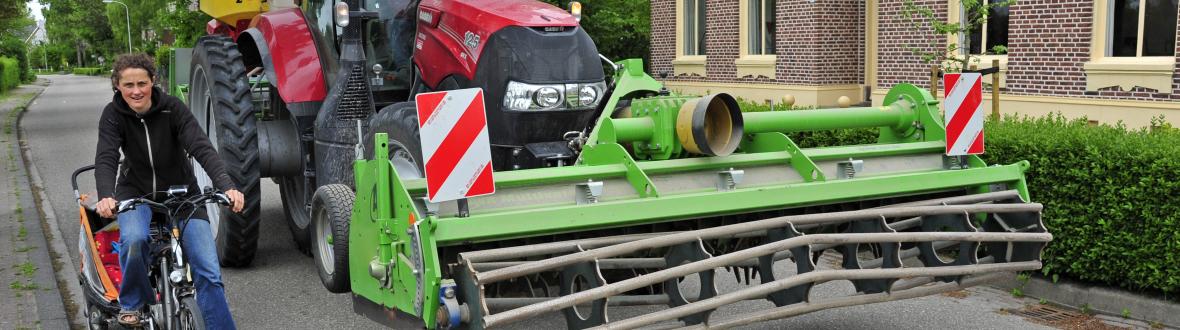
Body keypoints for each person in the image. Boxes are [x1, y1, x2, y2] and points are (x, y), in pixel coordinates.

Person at [93, 53, 245, 328]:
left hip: (183, 194)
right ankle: (134, 305)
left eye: (142, 83)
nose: (136, 91)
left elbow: (201, 147)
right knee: (135, 240)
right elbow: (106, 156)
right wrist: (106, 195)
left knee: (208, 272)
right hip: (135, 193)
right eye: (129, 85)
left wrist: (228, 186)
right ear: (117, 85)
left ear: (153, 81)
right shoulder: (113, 114)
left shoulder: (172, 108)